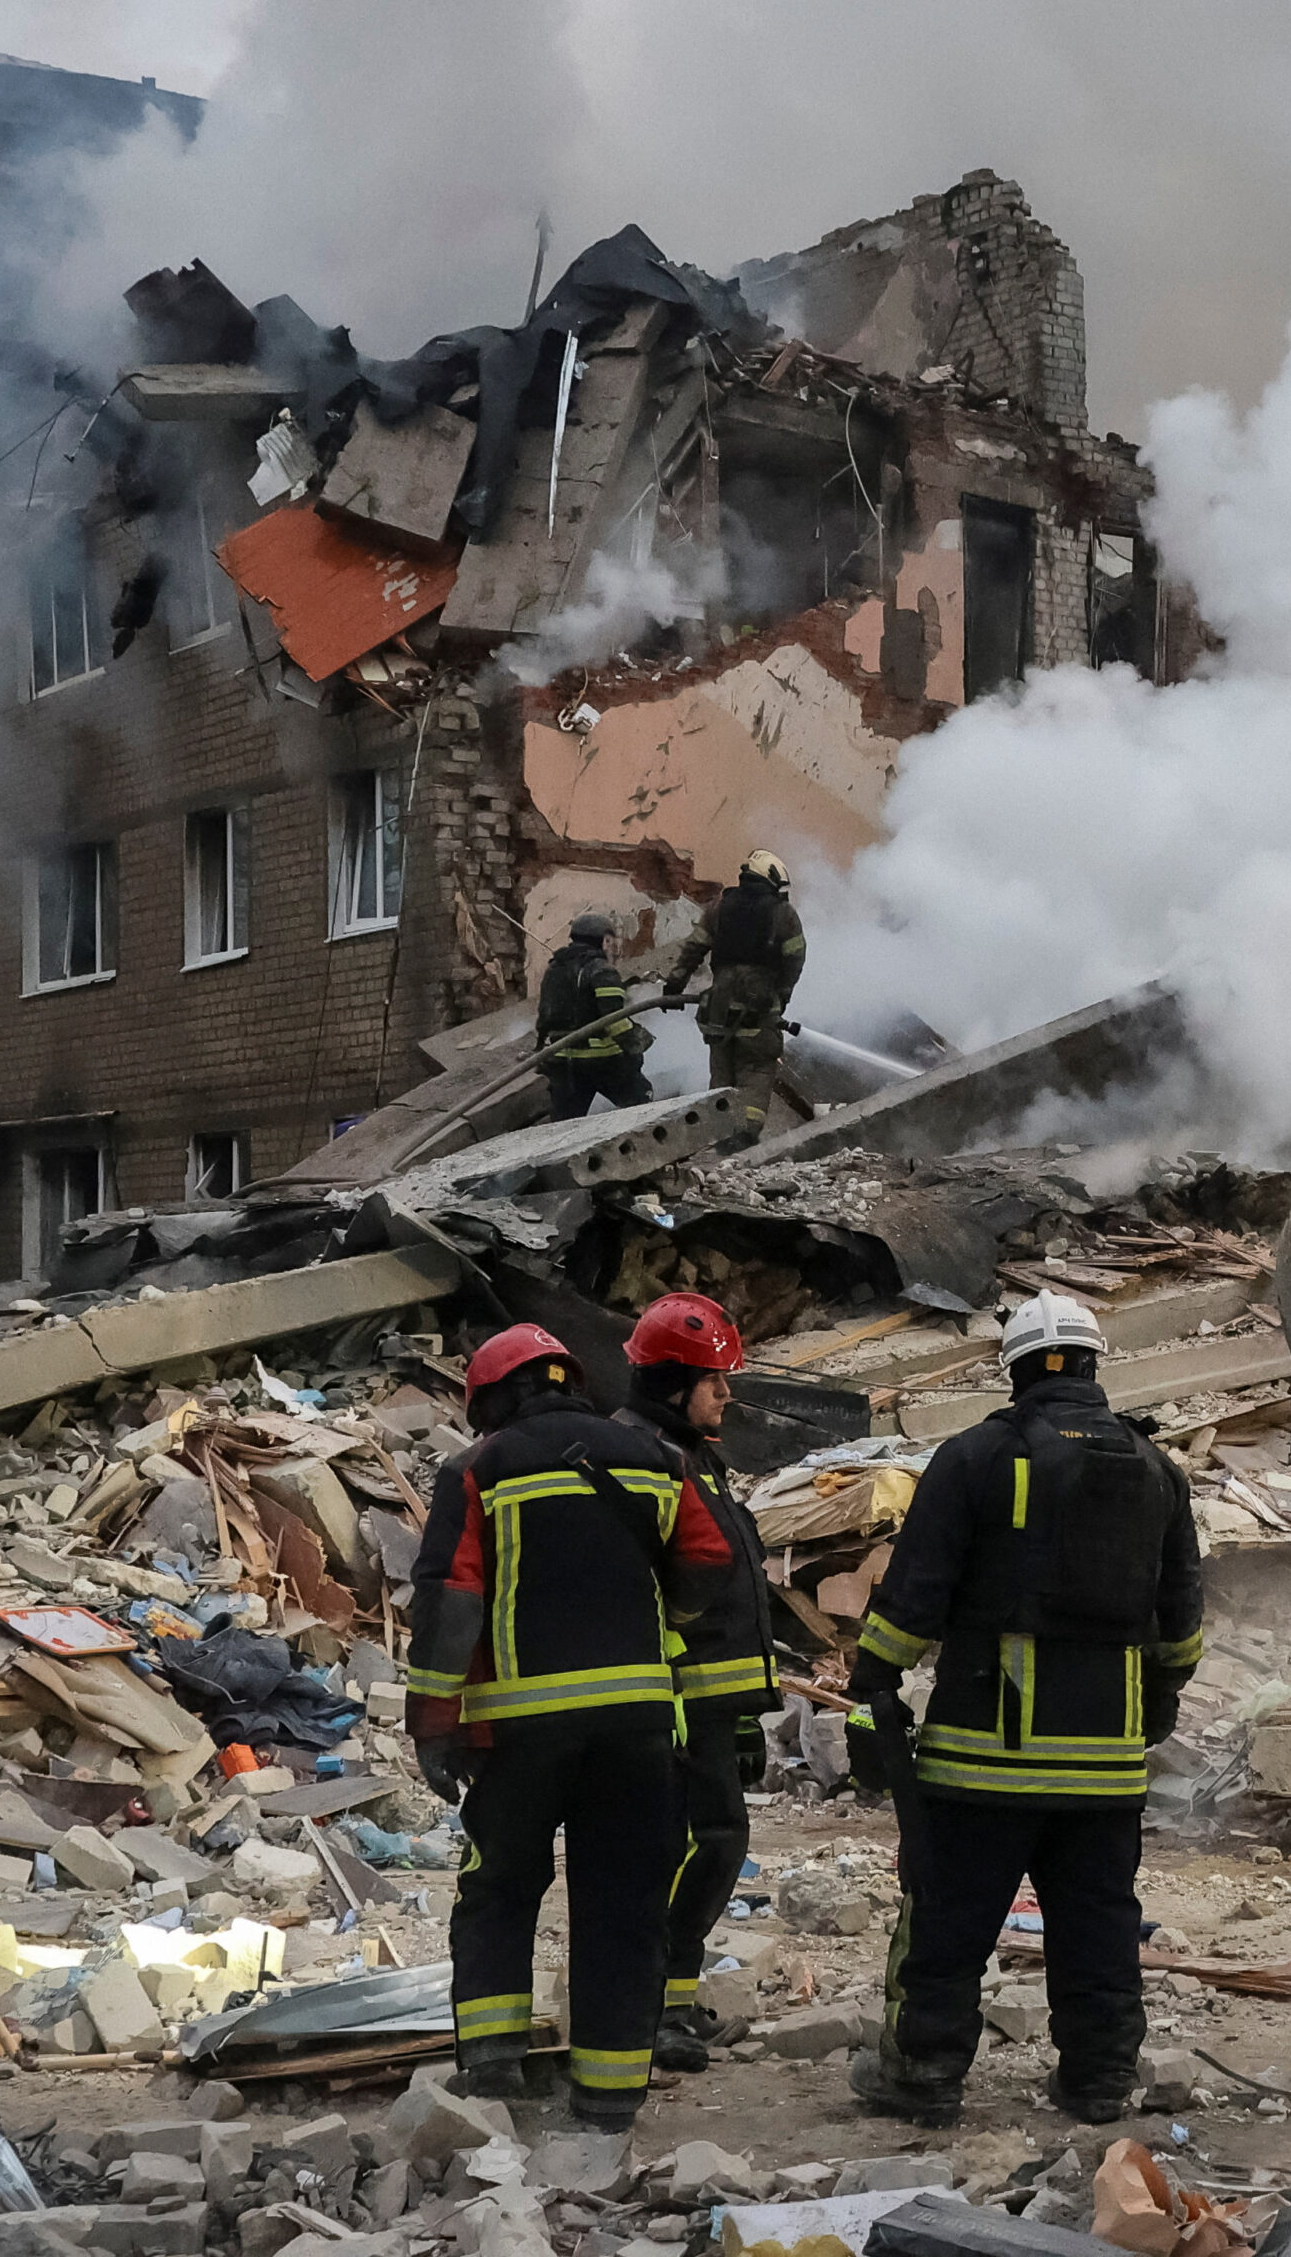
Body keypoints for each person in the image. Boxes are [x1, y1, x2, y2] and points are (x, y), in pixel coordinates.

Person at [844, 1291, 1204, 2128]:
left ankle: (925, 2075)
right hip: (1104, 1772)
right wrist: (1155, 1705)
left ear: (1013, 1371)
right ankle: (1099, 2080)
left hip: (980, 1759)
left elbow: (914, 1597)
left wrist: (874, 1682)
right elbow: (1181, 1622)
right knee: (1099, 1927)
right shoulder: (1157, 1471)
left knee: (948, 1921)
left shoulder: (974, 1459)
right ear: (1091, 1364)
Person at [406, 1323, 732, 2131]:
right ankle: (610, 2092)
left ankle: (491, 2068)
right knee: (624, 1901)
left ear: (493, 1399)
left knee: (500, 1887)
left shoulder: (478, 1468)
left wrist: (433, 1723)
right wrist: (660, 1617)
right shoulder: (659, 1460)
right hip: (637, 1726)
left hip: (520, 1732)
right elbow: (709, 1563)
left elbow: (452, 1601)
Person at [612, 1292, 780, 2072]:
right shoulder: (643, 1461)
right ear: (673, 1383)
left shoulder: (691, 1459)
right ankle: (647, 2010)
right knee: (685, 1850)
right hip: (672, 1704)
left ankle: (670, 2001)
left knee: (713, 1847)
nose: (726, 1394)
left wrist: (744, 1714)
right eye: (714, 1381)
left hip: (708, 1704)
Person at [663, 850, 805, 1143]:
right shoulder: (783, 914)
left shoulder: (720, 906)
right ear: (770, 880)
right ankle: (744, 1136)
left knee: (722, 1071)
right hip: (759, 1009)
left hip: (719, 1007)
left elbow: (694, 948)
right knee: (757, 1068)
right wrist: (783, 994)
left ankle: (718, 1135)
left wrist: (675, 984)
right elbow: (795, 959)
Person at [536, 911, 655, 1122]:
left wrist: (540, 1048)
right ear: (605, 940)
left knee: (563, 1126)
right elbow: (614, 1020)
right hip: (603, 1061)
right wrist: (637, 1043)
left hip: (563, 1062)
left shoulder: (554, 968)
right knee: (642, 1106)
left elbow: (545, 1014)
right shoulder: (601, 970)